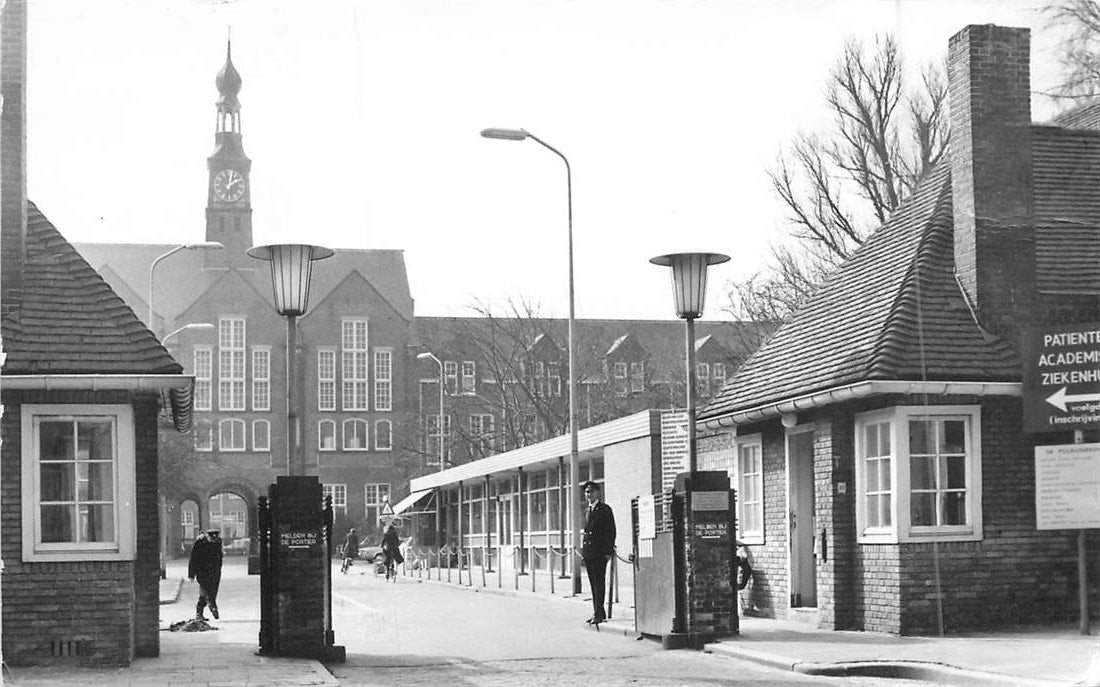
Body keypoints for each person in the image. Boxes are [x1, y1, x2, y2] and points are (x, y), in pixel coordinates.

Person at [580, 480, 616, 625]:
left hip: (599, 553)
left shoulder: (605, 509)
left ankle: (599, 614)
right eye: (587, 492)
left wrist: (608, 551)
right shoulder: (588, 510)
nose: (589, 495)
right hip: (589, 553)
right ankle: (597, 612)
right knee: (593, 584)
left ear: (598, 493)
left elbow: (611, 531)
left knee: (599, 584)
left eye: (591, 491)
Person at [188, 528, 223, 621]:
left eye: (215, 539)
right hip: (202, 571)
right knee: (205, 589)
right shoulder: (200, 543)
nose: (213, 541)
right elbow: (193, 558)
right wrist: (191, 574)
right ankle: (212, 606)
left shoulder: (218, 542)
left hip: (214, 571)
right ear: (208, 536)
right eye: (212, 539)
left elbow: (219, 557)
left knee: (211, 591)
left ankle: (200, 613)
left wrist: (219, 569)